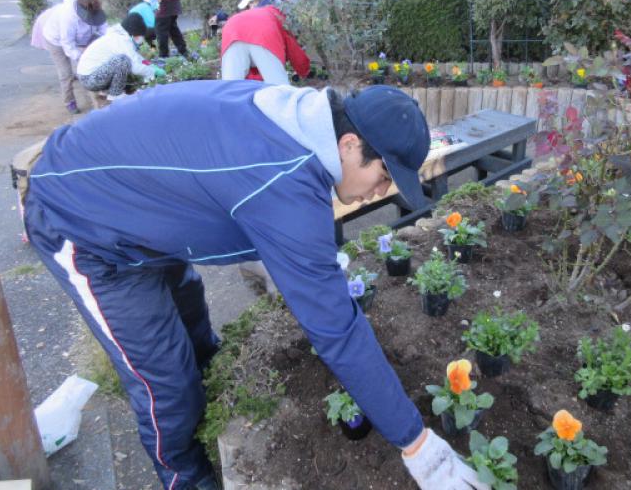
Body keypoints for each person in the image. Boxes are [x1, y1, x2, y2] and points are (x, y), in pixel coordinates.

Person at [24, 81, 486, 490]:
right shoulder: (285, 181)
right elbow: (336, 332)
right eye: (383, 175)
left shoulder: (299, 118)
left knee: (192, 319)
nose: (379, 192)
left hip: (142, 202)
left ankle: (204, 396)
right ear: (348, 144)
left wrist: (301, 258)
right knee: (163, 382)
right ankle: (184, 476)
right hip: (84, 223)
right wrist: (415, 441)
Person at [31, 0, 107, 113]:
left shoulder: (95, 9)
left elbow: (104, 29)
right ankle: (69, 101)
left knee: (90, 68)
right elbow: (67, 44)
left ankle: (98, 98)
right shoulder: (68, 18)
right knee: (66, 73)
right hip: (56, 40)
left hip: (81, 38)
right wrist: (81, 57)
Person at [220, 0, 310, 84]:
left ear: (255, 2)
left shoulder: (239, 17)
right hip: (263, 34)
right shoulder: (276, 14)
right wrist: (304, 70)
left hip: (231, 29)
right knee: (279, 88)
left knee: (230, 87)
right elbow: (292, 45)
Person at [77, 13, 164, 103]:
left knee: (123, 61)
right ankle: (116, 95)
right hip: (89, 79)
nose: (141, 38)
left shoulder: (120, 36)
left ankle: (107, 91)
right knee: (123, 60)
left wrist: (150, 65)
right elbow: (135, 67)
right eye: (140, 35)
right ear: (133, 33)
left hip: (90, 75)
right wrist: (152, 71)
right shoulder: (121, 41)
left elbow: (135, 57)